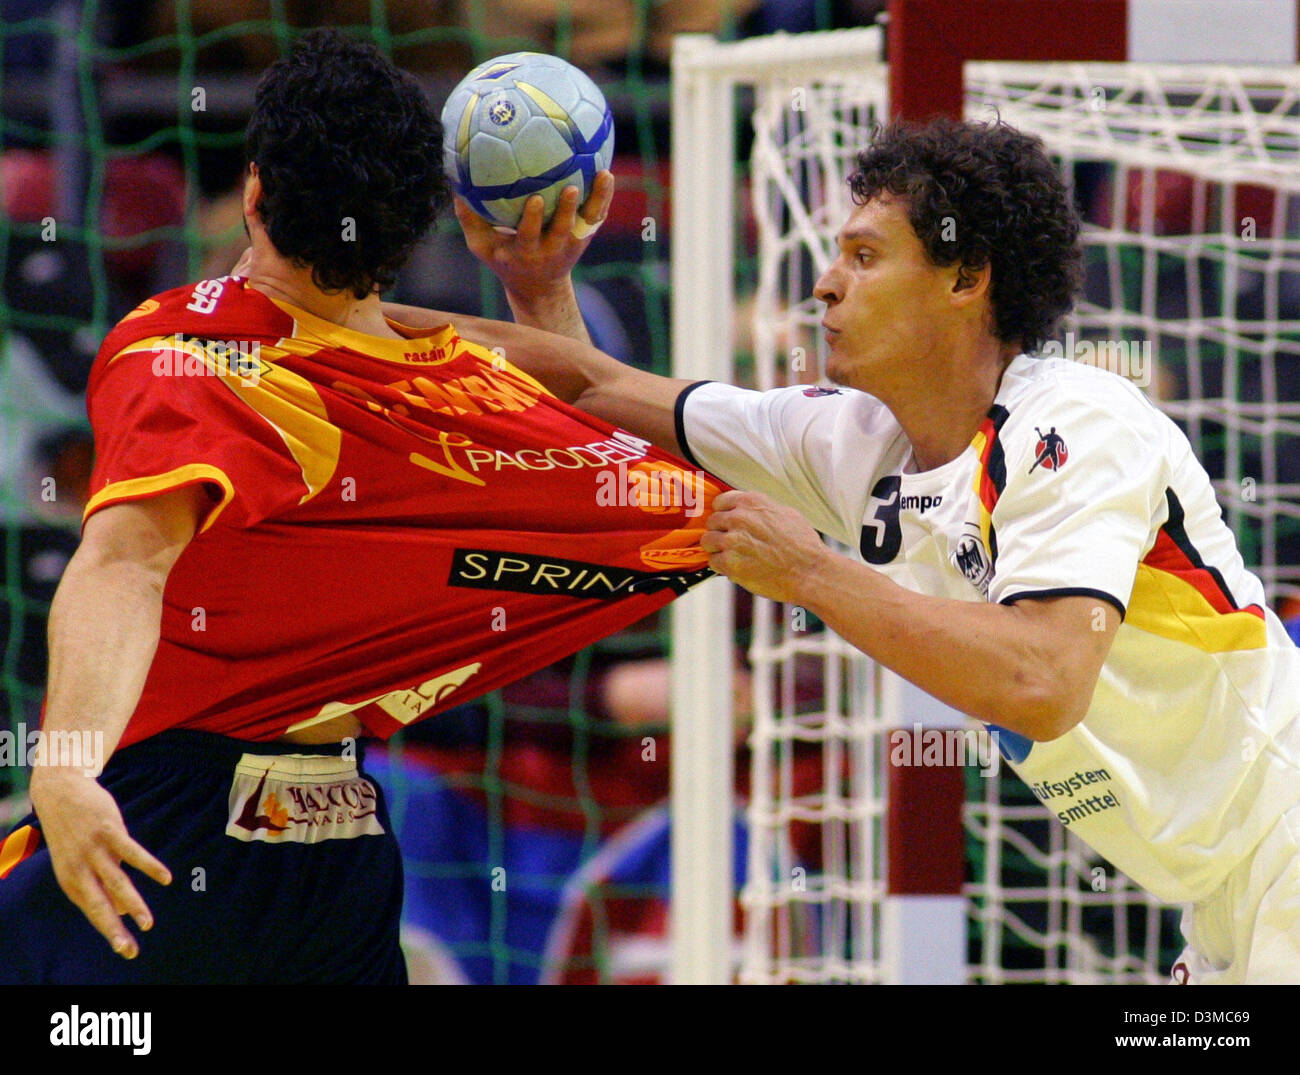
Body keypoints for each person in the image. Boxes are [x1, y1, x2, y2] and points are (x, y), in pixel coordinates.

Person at [399, 116, 1300, 984]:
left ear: (966, 278)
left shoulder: (1078, 426)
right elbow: (597, 388)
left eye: (865, 257)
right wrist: (373, 315)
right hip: (1221, 895)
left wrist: (810, 573)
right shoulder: (851, 440)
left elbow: (1044, 681)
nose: (825, 285)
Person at [0, 28, 721, 984]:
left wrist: (62, 766)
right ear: (420, 230)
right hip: (334, 842)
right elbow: (585, 460)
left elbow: (124, 560)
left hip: (167, 820)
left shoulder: (179, 349)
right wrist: (540, 288)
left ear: (255, 195)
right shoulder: (458, 382)